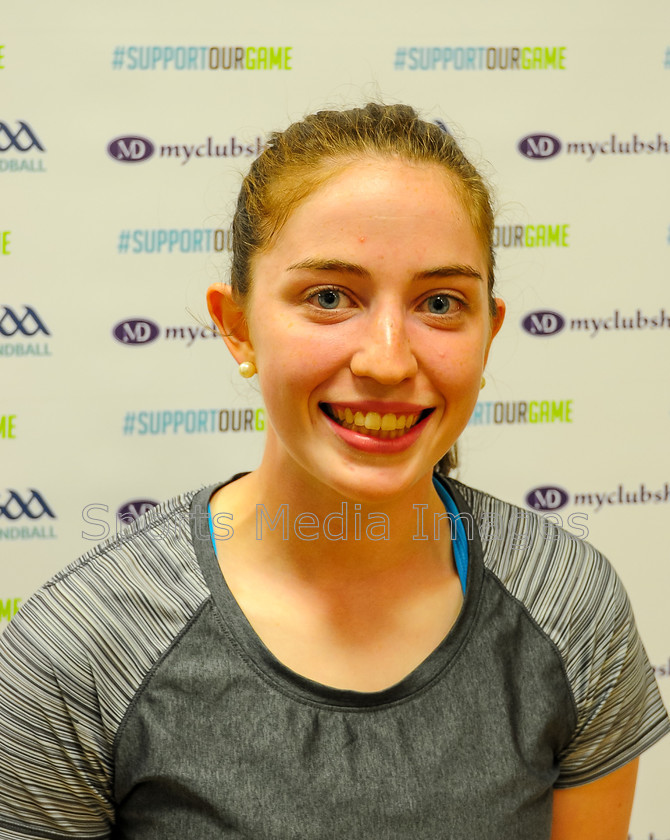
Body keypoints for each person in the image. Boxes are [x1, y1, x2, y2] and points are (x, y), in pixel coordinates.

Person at [0, 103, 667, 840]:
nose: (387, 358)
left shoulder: (570, 604)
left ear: (489, 332)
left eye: (440, 304)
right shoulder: (82, 649)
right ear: (237, 325)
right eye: (328, 297)